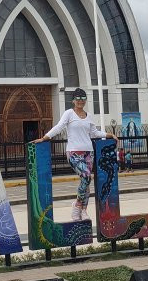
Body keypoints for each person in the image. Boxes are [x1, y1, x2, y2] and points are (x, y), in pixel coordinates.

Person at [31, 88, 117, 220]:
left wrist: (109, 134)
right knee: (87, 177)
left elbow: (94, 133)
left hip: (89, 153)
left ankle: (83, 211)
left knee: (86, 182)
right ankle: (77, 205)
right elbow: (59, 127)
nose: (80, 101)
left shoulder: (89, 116)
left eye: (83, 98)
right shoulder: (69, 114)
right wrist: (45, 138)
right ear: (73, 100)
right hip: (74, 153)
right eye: (78, 98)